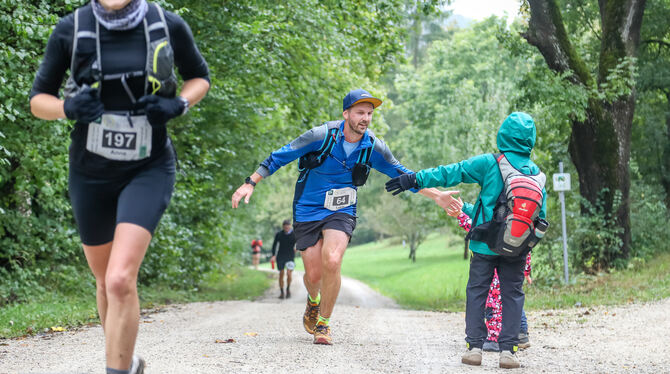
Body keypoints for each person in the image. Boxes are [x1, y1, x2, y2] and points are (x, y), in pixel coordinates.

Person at [29, 1, 209, 373]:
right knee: (104, 281)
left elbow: (199, 78)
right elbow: (37, 101)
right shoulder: (71, 28)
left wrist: (178, 104)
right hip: (90, 172)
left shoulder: (167, 24)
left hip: (149, 166)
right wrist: (68, 107)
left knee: (120, 277)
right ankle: (126, 363)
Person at [231, 89, 440, 345]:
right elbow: (281, 155)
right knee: (314, 276)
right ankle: (313, 301)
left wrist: (437, 195)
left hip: (342, 210)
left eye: (370, 113)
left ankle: (324, 324)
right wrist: (250, 182)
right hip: (307, 209)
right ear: (346, 114)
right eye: (360, 112)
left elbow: (404, 174)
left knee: (332, 259)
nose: (366, 118)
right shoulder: (321, 136)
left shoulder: (373, 147)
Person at [386, 112, 547, 369]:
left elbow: (453, 172)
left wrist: (415, 179)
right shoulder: (538, 176)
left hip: (484, 244)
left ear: (503, 135)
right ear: (531, 140)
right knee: (513, 295)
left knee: (477, 293)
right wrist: (524, 246)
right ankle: (509, 351)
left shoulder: (489, 163)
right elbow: (541, 219)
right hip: (516, 247)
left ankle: (474, 348)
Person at [445, 194, 533, 352]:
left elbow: (474, 227)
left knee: (494, 303)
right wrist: (526, 271)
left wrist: (460, 215)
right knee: (512, 299)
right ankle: (521, 334)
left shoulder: (493, 221)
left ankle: (493, 339)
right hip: (514, 265)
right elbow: (526, 250)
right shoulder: (517, 222)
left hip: (494, 268)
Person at [271, 220, 297, 299]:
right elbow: (274, 245)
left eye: (288, 225)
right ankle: (282, 292)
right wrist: (273, 255)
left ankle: (288, 289)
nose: (286, 227)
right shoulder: (279, 234)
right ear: (283, 226)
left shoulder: (294, 234)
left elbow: (299, 242)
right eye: (285, 226)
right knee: (281, 274)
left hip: (290, 256)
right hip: (280, 256)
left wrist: (297, 247)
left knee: (289, 273)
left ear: (290, 226)